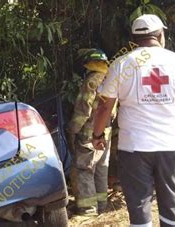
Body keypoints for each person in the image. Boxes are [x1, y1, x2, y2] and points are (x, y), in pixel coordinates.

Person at [92, 14, 175, 226]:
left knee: (139, 201)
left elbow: (105, 105)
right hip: (170, 144)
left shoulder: (122, 64)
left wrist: (97, 134)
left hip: (134, 147)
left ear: (134, 39)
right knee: (172, 199)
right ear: (161, 35)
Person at [66, 48, 114, 216]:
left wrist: (72, 129)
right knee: (101, 167)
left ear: (89, 64)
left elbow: (83, 110)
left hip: (89, 132)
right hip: (106, 130)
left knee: (84, 169)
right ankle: (102, 204)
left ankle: (88, 209)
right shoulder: (110, 79)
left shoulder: (92, 81)